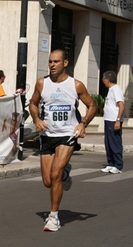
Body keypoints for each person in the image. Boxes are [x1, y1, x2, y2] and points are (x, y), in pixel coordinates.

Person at [29, 49, 97, 232]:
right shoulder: (42, 83)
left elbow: (92, 106)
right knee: (47, 181)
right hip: (47, 134)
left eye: (56, 61)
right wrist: (36, 120)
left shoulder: (76, 85)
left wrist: (83, 124)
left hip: (67, 134)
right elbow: (33, 103)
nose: (52, 65)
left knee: (55, 174)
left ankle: (53, 217)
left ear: (65, 63)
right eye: (50, 61)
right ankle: (66, 173)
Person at [100, 71, 125, 174]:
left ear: (107, 80)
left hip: (114, 121)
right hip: (108, 120)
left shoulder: (116, 89)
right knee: (108, 143)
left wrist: (118, 120)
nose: (102, 81)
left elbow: (122, 105)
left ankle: (118, 165)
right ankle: (111, 163)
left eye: (103, 79)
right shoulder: (111, 90)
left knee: (115, 143)